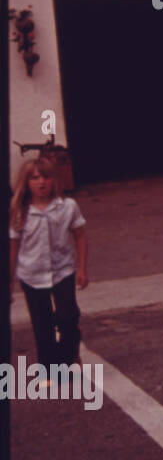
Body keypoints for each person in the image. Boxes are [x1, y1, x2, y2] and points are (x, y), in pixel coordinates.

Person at [9, 157, 88, 379]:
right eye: (35, 178)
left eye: (46, 177)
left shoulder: (67, 207)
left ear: (54, 180)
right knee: (42, 323)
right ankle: (50, 369)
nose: (41, 182)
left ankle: (69, 355)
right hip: (31, 274)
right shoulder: (19, 211)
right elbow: (13, 246)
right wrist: (9, 278)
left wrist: (82, 268)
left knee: (68, 316)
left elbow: (80, 236)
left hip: (62, 270)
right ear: (26, 183)